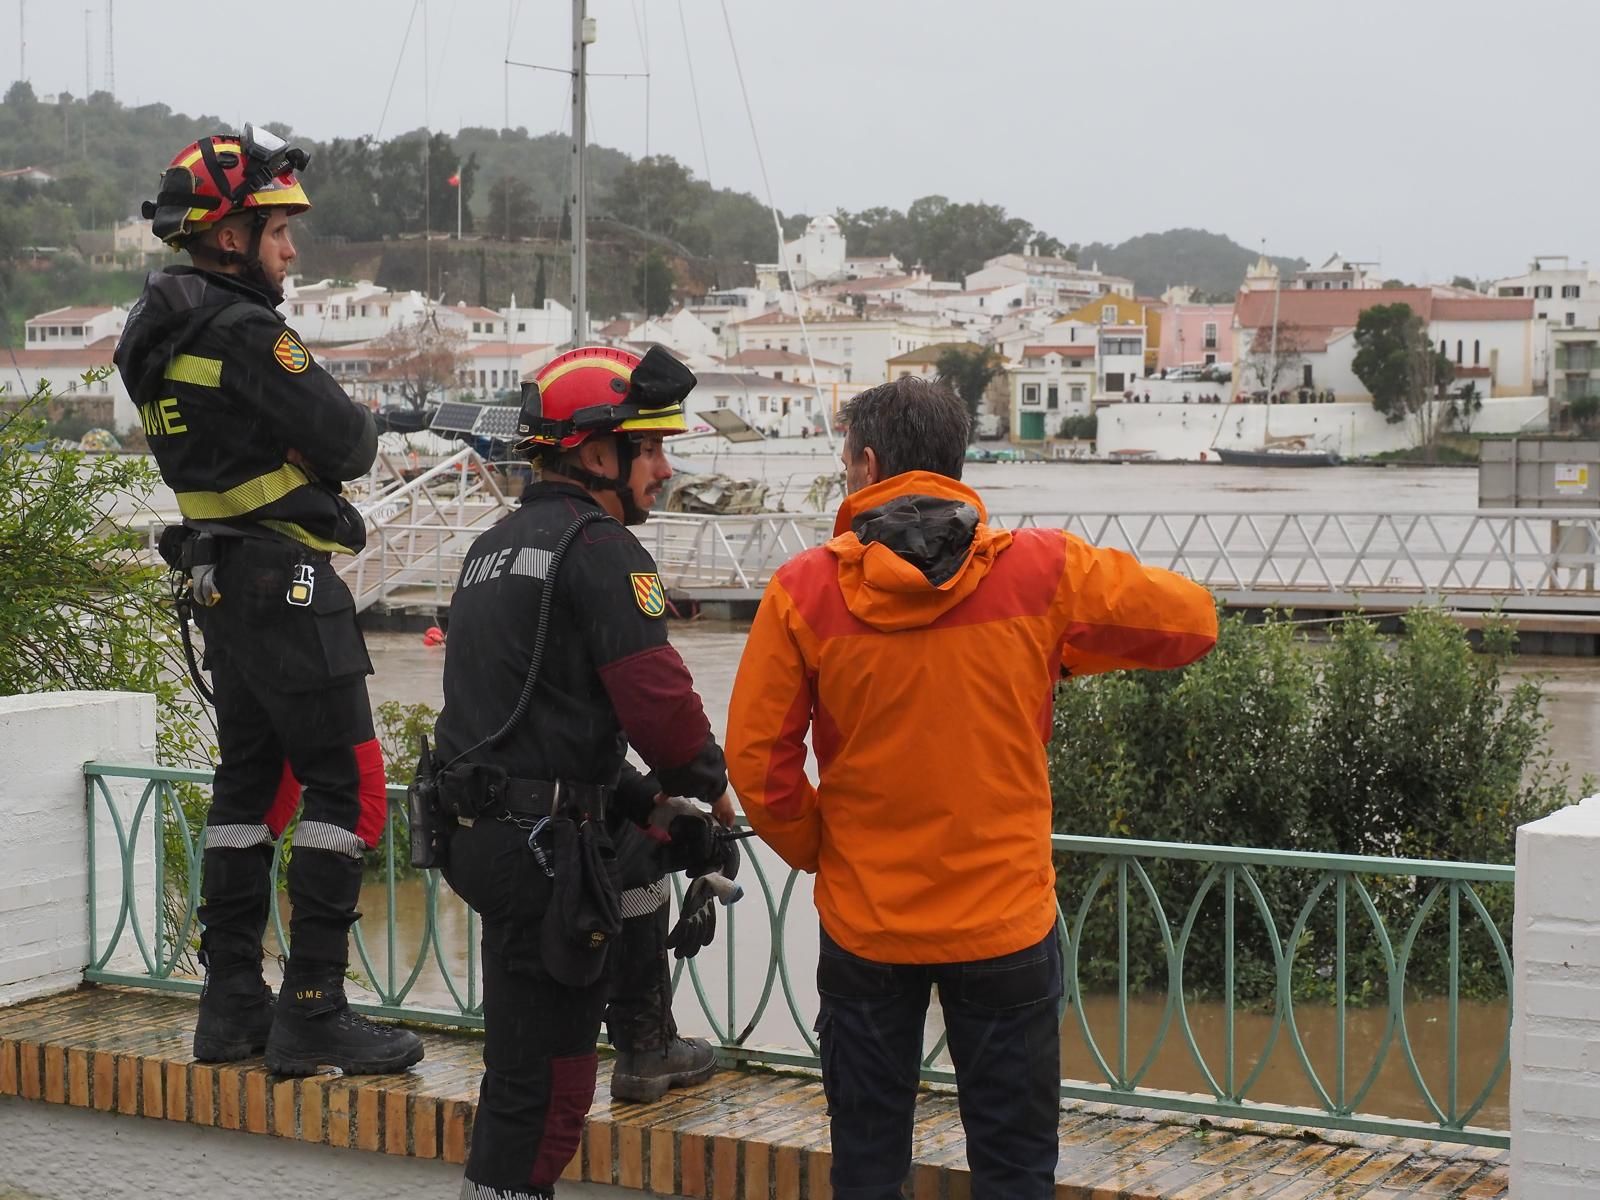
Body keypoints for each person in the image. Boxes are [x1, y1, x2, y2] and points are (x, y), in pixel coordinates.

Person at [725, 377, 1218, 1200]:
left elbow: (756, 764)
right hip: (1003, 926)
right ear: (954, 465)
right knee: (1016, 1169)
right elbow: (1191, 622)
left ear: (869, 464)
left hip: (867, 927)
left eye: (845, 461)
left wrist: (823, 851)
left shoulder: (803, 591)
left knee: (869, 1165)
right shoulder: (1041, 571)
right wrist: (1052, 651)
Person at [114, 127, 423, 1075]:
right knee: (352, 787)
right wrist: (322, 452)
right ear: (228, 235)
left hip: (221, 584)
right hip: (286, 584)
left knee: (253, 790)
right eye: (279, 228)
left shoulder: (158, 336)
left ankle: (233, 1007)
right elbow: (349, 442)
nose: (292, 248)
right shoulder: (248, 331)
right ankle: (316, 1010)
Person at [431, 345, 738, 1199]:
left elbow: (539, 728)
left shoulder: (492, 547)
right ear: (598, 454)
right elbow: (660, 703)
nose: (666, 468)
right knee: (550, 1093)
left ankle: (640, 1042)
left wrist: (651, 804)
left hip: (493, 839)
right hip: (539, 857)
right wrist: (716, 794)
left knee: (519, 1071)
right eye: (653, 448)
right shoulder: (601, 548)